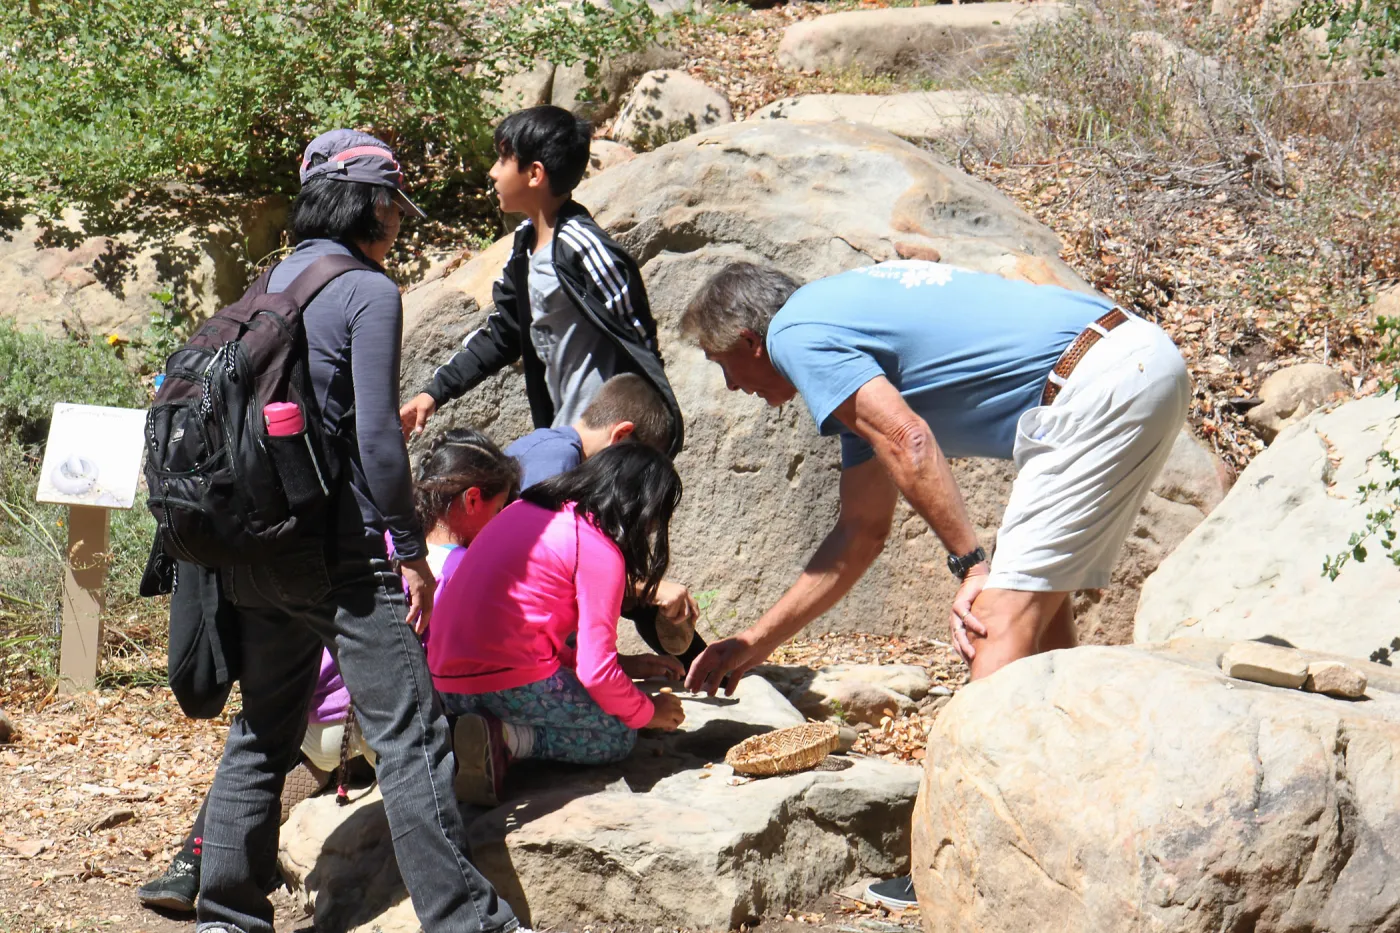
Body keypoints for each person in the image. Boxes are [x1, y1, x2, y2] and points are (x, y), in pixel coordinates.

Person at [678, 259, 1190, 907]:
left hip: (1096, 383)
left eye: (720, 362)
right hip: (1133, 363)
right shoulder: (841, 339)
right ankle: (1071, 825)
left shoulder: (795, 332)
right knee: (1043, 629)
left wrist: (971, 562)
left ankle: (954, 871)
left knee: (994, 621)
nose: (727, 385)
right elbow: (860, 531)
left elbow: (908, 437)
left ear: (752, 341)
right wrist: (753, 641)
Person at [193, 130, 519, 933]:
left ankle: (224, 912)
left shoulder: (268, 284)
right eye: (395, 207)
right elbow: (376, 437)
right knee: (413, 733)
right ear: (374, 204)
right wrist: (410, 551)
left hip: (253, 549)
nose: (398, 224)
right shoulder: (367, 290)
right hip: (335, 553)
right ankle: (462, 920)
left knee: (264, 729)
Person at [397, 105, 683, 457]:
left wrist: (650, 442)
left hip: (610, 447)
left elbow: (639, 339)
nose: (492, 172)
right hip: (564, 439)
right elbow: (504, 332)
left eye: (503, 160)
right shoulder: (524, 247)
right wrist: (434, 392)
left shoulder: (583, 248)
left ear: (535, 174)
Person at [429, 444, 689, 806]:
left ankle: (459, 732)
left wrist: (629, 667)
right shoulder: (598, 547)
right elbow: (597, 674)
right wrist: (647, 713)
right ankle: (505, 739)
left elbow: (525, 635)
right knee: (618, 735)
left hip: (446, 684)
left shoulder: (525, 511)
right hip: (507, 686)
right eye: (654, 519)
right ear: (638, 507)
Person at [506, 373, 704, 664]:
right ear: (621, 436)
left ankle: (705, 669)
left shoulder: (569, 461)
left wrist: (623, 663)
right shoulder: (556, 459)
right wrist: (647, 588)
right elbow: (543, 571)